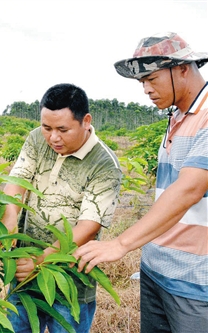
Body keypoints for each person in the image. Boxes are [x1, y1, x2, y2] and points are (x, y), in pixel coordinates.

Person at [73, 32, 208, 332]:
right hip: (155, 270)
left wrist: (122, 243)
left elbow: (190, 189)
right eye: (141, 82)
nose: (146, 89)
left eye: (152, 79)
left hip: (195, 281)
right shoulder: (176, 114)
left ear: (183, 68)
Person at [2, 83, 122, 333]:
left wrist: (42, 260)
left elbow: (89, 226)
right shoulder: (37, 139)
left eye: (62, 130)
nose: (53, 138)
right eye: (47, 127)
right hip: (23, 271)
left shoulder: (104, 165)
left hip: (70, 281)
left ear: (86, 121)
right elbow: (18, 181)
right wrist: (9, 216)